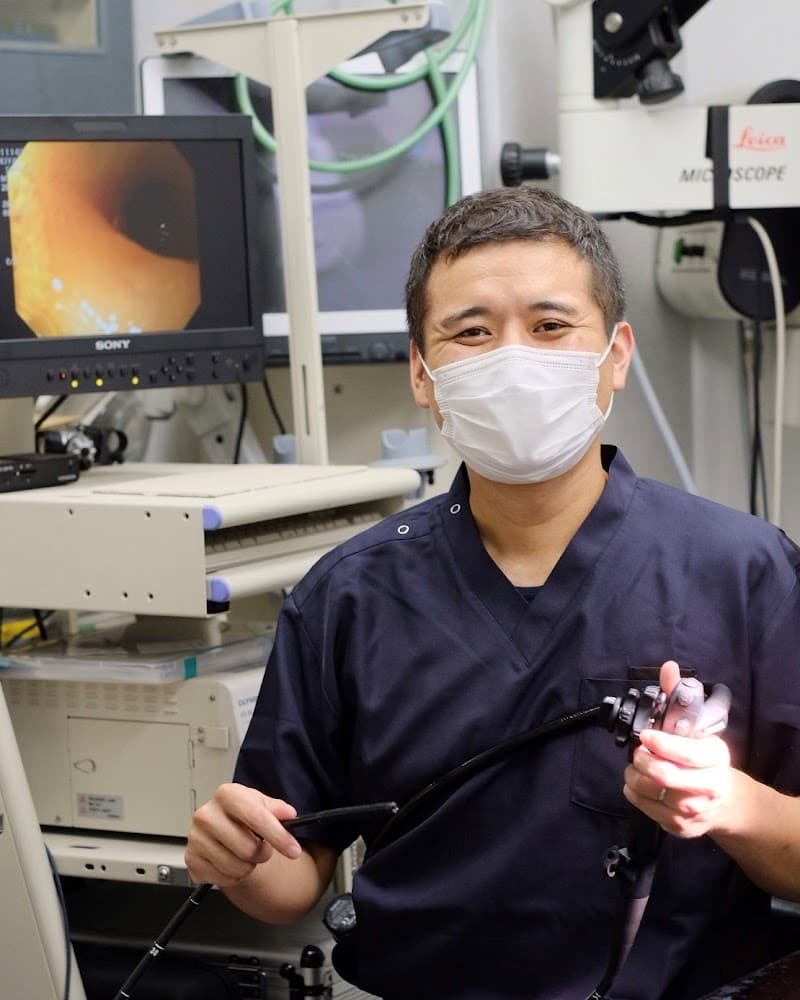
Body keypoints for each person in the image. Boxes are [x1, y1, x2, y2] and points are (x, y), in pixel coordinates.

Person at [185, 186, 800, 1000]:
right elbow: (295, 880)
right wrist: (242, 863)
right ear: (422, 371)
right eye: (470, 332)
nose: (514, 359)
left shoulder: (743, 571)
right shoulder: (350, 598)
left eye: (551, 327)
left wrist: (728, 803)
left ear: (615, 354)